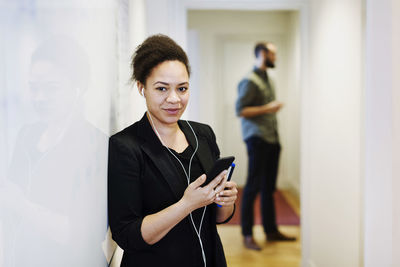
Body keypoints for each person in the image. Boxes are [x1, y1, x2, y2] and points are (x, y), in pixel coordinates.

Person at [108, 34, 238, 267]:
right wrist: (186, 204)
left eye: (182, 88)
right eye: (161, 88)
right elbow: (127, 234)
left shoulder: (203, 135)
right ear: (142, 88)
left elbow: (218, 218)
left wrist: (224, 202)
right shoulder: (125, 146)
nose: (174, 99)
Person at [236, 42, 296, 251]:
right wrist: (268, 108)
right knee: (252, 188)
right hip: (257, 139)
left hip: (272, 139)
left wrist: (269, 110)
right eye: (273, 54)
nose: (275, 58)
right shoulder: (249, 80)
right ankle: (247, 235)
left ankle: (271, 231)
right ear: (263, 54)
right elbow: (241, 110)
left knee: (269, 189)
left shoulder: (268, 78)